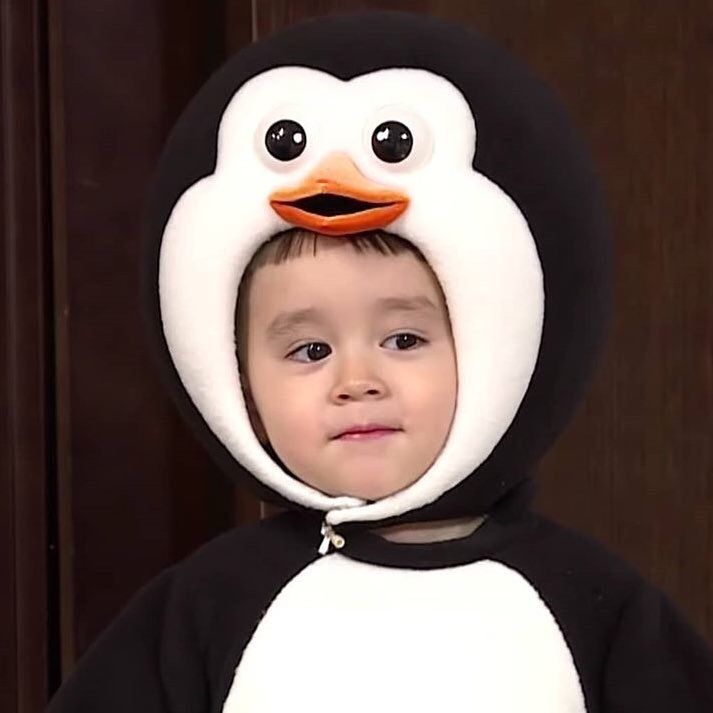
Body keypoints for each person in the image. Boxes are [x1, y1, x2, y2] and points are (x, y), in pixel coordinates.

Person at [46, 10, 713, 712]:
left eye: (403, 339)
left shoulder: (592, 607)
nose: (355, 381)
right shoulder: (205, 609)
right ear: (236, 381)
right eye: (309, 350)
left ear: (494, 345)